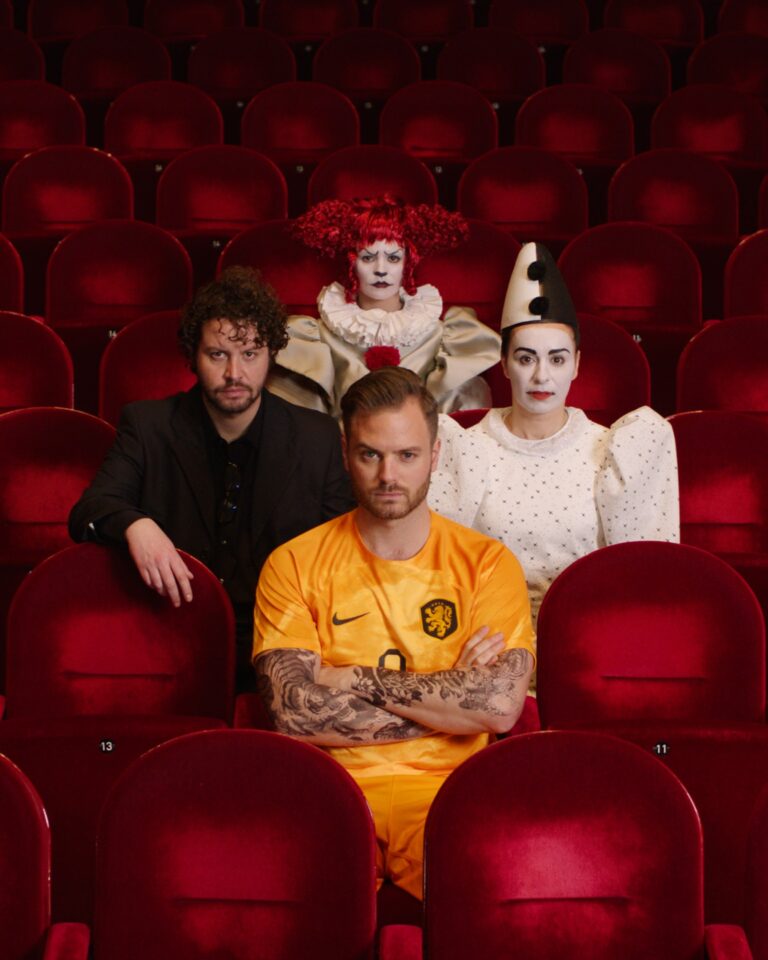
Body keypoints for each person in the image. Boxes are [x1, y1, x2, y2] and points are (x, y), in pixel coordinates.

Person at [253, 367, 535, 899]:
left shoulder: (487, 564)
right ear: (345, 453)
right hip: (330, 789)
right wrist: (448, 705)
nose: (388, 474)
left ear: (435, 455)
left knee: (488, 899)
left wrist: (346, 677)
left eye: (407, 455)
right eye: (370, 454)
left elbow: (498, 705)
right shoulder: (293, 563)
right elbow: (292, 712)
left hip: (447, 792)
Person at [69, 266, 355, 691]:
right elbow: (88, 511)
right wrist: (135, 524)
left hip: (282, 642)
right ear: (194, 356)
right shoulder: (148, 426)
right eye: (218, 355)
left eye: (250, 354)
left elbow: (343, 551)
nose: (234, 373)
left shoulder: (316, 436)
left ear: (271, 355)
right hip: (171, 637)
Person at [430, 241, 680, 628]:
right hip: (489, 635)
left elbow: (638, 578)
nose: (541, 376)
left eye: (557, 359)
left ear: (576, 364)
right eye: (526, 358)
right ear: (504, 364)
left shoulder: (611, 450)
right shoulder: (466, 448)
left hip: (588, 632)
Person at [266, 195, 501, 417]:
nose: (381, 269)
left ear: (408, 263)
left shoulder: (440, 337)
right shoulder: (319, 336)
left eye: (393, 258)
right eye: (368, 257)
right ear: (352, 263)